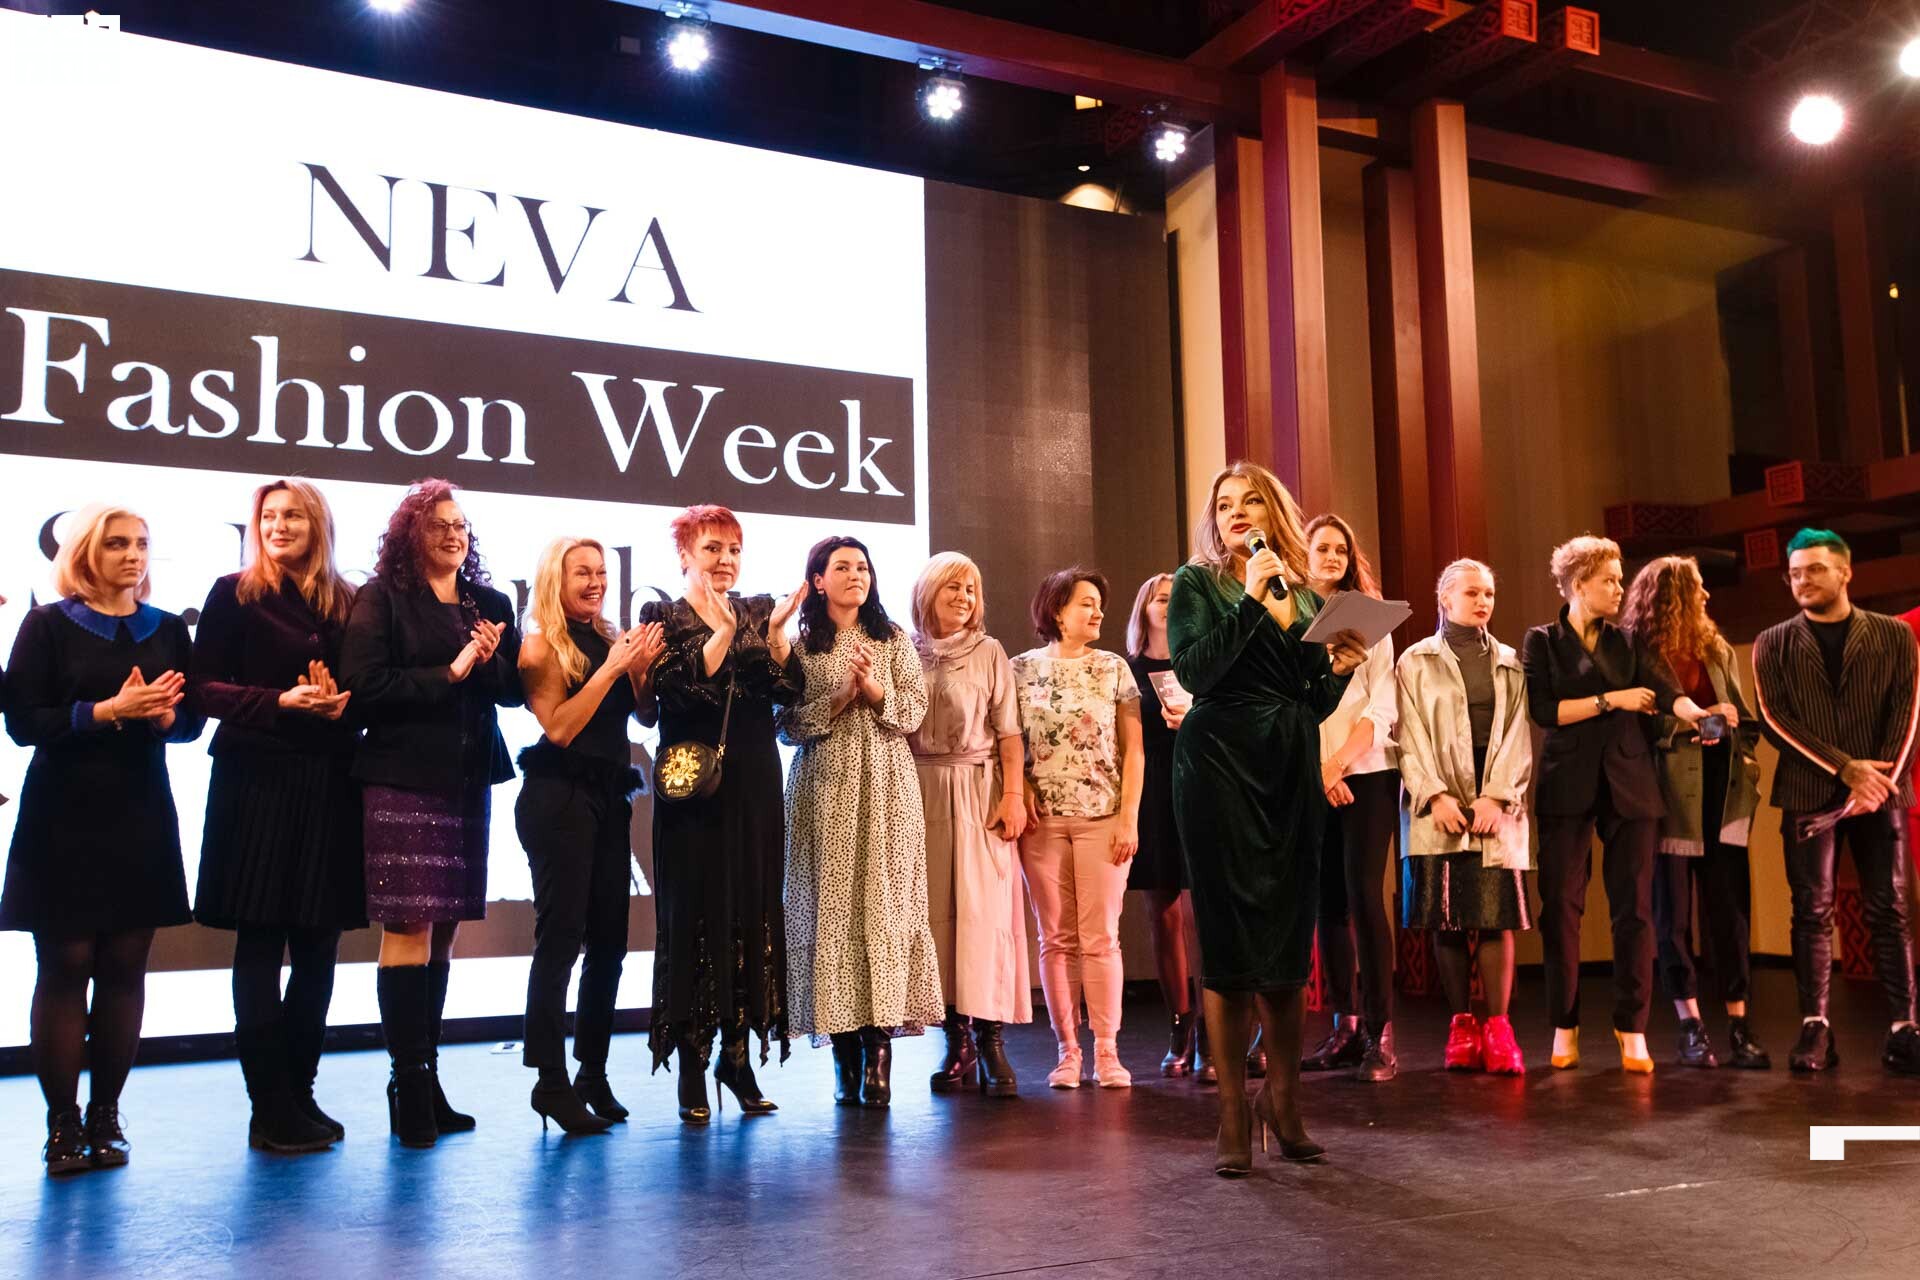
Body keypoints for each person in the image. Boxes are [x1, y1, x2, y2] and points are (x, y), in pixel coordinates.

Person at [1168, 461, 1367, 1176]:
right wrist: (1252, 603)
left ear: (1273, 511)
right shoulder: (1196, 583)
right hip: (1217, 764)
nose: (1237, 513)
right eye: (1225, 504)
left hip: (1287, 764)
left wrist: (1339, 669)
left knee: (1285, 946)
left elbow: (1308, 699)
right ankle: (1231, 1113)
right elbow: (1196, 673)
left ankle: (1283, 1106)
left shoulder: (1306, 595)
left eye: (1250, 501)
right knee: (1228, 945)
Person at [1, 504, 204, 1176]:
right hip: (62, 814)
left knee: (124, 970)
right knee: (64, 968)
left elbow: (191, 722)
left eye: (141, 543)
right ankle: (62, 1126)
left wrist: (167, 718)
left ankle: (106, 1116)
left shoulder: (167, 628)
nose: (132, 554)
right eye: (117, 543)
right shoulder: (47, 625)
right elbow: (23, 723)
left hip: (141, 813)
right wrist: (106, 711)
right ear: (87, 552)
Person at [338, 479, 523, 1147]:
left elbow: (511, 692)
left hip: (468, 778)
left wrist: (490, 660)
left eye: (461, 525)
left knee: (443, 930)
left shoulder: (489, 603)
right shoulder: (381, 598)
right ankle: (407, 1083)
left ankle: (430, 1076)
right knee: (409, 926)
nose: (453, 534)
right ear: (410, 534)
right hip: (403, 778)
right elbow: (362, 685)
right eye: (439, 524)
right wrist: (450, 672)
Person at [190, 479, 361, 1154]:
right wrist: (279, 702)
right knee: (261, 944)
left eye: (293, 515)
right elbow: (203, 689)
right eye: (269, 515)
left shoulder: (348, 600)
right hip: (255, 782)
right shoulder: (233, 593)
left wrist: (344, 704)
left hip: (330, 782)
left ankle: (299, 1092)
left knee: (319, 946)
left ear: (318, 526)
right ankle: (269, 1107)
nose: (279, 525)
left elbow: (365, 689)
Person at [638, 505, 806, 1123]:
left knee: (749, 910)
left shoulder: (758, 610)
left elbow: (789, 692)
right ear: (684, 555)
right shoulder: (661, 616)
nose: (725, 560)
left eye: (733, 549)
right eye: (712, 548)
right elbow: (676, 692)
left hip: (754, 782)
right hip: (692, 785)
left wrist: (777, 637)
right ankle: (691, 1061)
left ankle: (736, 1058)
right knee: (693, 913)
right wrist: (723, 636)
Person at [1523, 534, 1709, 1075]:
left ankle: (1633, 1028)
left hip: (1631, 784)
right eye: (1609, 580)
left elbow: (1664, 688)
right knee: (1561, 908)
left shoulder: (1629, 640)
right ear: (1580, 584)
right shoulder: (1543, 641)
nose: (1619, 588)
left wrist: (1694, 713)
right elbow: (1545, 711)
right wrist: (1612, 700)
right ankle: (1564, 1023)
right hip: (1567, 784)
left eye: (1620, 579)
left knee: (1636, 910)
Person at [1752, 529, 1920, 1076]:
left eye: (1815, 570)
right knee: (1812, 910)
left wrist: (1880, 783)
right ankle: (1815, 1028)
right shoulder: (1773, 641)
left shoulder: (1895, 635)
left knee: (1890, 909)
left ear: (1846, 572)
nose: (1803, 581)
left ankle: (1905, 1029)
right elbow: (1775, 720)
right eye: (1795, 573)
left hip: (1882, 795)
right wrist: (1846, 769)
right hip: (1808, 794)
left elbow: (1909, 715)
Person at [780, 535, 939, 1108]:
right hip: (824, 789)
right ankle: (843, 1053)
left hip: (886, 788)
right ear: (818, 581)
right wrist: (842, 697)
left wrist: (873, 691)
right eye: (842, 567)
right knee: (831, 913)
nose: (856, 575)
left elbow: (913, 711)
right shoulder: (799, 649)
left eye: (863, 567)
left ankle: (879, 1051)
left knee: (884, 910)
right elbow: (786, 724)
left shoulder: (891, 638)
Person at [515, 537, 664, 1134]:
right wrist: (613, 669)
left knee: (610, 943)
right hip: (558, 798)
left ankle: (591, 1073)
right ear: (557, 578)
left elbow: (645, 716)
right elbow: (559, 728)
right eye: (583, 572)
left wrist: (642, 673)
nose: (597, 581)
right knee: (560, 940)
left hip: (608, 797)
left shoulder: (610, 639)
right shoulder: (540, 646)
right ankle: (549, 1081)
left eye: (602, 571)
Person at [1621, 556, 1771, 1070]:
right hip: (1668, 800)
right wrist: (1692, 725)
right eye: (1697, 588)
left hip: (1722, 796)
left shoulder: (1717, 649)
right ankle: (1690, 1024)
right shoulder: (1639, 653)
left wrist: (1735, 739)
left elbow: (1744, 722)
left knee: (1730, 913)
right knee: (1673, 917)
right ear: (1672, 598)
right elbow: (1638, 731)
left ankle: (1739, 1023)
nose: (1706, 596)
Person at [1395, 560, 1533, 1074]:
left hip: (1495, 802)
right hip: (1440, 803)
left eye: (1489, 594)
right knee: (1448, 920)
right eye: (1472, 593)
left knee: (1495, 918)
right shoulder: (1414, 662)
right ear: (1445, 599)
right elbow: (1407, 735)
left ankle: (1498, 1028)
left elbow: (1518, 734)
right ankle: (1461, 1026)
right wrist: (1434, 796)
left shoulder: (1511, 662)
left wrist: (1497, 798)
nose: (1483, 602)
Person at [1012, 569, 1144, 1091]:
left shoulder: (1113, 668)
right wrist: (1018, 786)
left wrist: (1129, 816)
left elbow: (1134, 751)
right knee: (1056, 939)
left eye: (1099, 604)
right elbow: (1007, 743)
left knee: (1101, 938)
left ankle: (1107, 1052)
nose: (1098, 612)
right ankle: (1067, 1052)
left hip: (1102, 818)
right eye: (1086, 602)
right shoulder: (1020, 669)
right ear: (1057, 610)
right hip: (1041, 823)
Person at [908, 552, 1029, 1098]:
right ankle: (956, 1042)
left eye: (971, 590)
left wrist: (1014, 796)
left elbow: (1009, 733)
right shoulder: (903, 650)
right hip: (918, 791)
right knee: (938, 920)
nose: (963, 598)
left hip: (979, 791)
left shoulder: (989, 652)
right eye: (952, 588)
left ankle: (991, 1040)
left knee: (985, 916)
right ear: (927, 594)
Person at [1301, 514, 1401, 1082]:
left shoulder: (1371, 619)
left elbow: (1381, 706)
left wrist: (1338, 762)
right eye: (1323, 548)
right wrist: (1320, 770)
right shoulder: (1289, 615)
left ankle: (1380, 1034)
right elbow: (1295, 701)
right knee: (1327, 902)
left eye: (1341, 549)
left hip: (1367, 772)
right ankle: (1344, 1026)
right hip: (1312, 773)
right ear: (1305, 554)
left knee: (1364, 895)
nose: (1333, 557)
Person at [1124, 572, 1206, 1080]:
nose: (1170, 604)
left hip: (1199, 783)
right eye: (1161, 597)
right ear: (1144, 609)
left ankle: (1214, 1027)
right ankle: (1181, 1025)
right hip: (1152, 790)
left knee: (1202, 915)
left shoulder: (1201, 663)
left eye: (1179, 598)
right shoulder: (1126, 670)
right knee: (1164, 915)